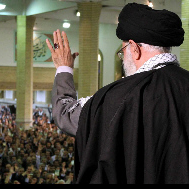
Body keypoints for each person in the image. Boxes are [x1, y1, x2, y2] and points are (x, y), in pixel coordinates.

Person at [46, 2, 189, 184]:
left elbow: (66, 114)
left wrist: (63, 68)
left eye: (123, 52)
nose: (123, 58)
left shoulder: (117, 97)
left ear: (134, 48)